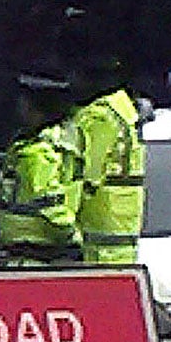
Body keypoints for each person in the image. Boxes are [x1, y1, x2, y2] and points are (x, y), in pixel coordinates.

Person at [0, 71, 84, 266]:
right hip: (31, 254)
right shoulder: (37, 145)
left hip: (35, 256)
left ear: (37, 109)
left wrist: (72, 237)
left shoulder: (38, 153)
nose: (19, 108)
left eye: (24, 103)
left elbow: (47, 203)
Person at [70, 73, 146, 265]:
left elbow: (88, 175)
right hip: (119, 233)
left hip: (98, 238)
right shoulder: (123, 113)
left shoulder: (99, 116)